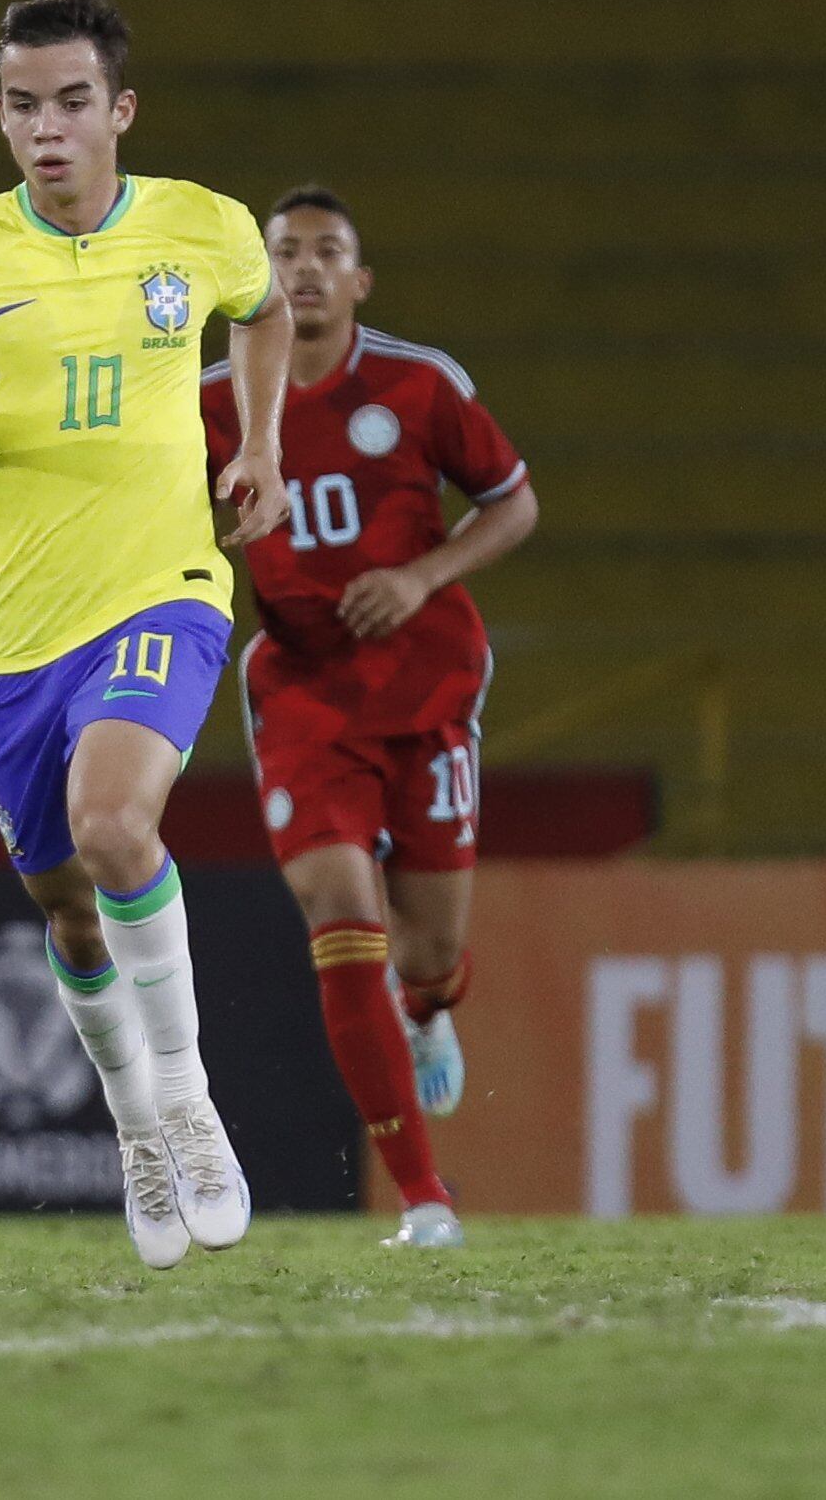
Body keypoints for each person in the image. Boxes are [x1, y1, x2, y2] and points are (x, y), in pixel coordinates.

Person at [0, 0, 291, 1270]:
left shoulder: (200, 225)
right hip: (13, 634)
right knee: (68, 910)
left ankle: (184, 1095)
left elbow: (265, 308)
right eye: (22, 106)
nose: (46, 130)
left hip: (162, 584)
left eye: (71, 103)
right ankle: (133, 1124)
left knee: (116, 824)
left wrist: (264, 443)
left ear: (118, 109)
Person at [200, 185, 539, 1249]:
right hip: (302, 694)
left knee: (429, 946)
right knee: (342, 916)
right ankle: (425, 1197)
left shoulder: (418, 384)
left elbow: (514, 500)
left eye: (324, 252)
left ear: (358, 281)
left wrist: (423, 574)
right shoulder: (204, 396)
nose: (302, 268)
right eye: (282, 251)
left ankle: (429, 1006)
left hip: (425, 690)